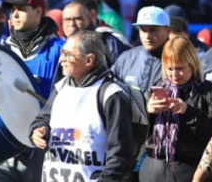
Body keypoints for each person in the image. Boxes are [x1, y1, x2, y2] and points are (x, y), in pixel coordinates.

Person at [30, 30, 137, 182]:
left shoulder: (111, 94)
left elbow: (121, 153)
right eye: (62, 53)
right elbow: (42, 120)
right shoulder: (61, 88)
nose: (61, 59)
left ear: (89, 60)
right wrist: (38, 131)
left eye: (67, 54)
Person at [0, 0, 65, 182]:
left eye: (21, 9)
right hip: (4, 145)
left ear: (39, 12)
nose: (14, 14)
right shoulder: (0, 50)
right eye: (12, 9)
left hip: (42, 147)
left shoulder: (60, 50)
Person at [141, 37, 212, 182]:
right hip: (154, 166)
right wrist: (148, 112)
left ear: (192, 65)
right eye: (170, 68)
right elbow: (138, 135)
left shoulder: (210, 91)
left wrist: (188, 111)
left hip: (190, 168)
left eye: (180, 68)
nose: (174, 74)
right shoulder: (155, 90)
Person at [112, 6, 170, 95]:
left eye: (153, 30)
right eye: (143, 30)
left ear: (168, 31)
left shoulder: (178, 59)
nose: (148, 36)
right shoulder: (126, 58)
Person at [64, 0, 131, 65]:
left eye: (78, 19)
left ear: (91, 16)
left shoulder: (109, 41)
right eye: (67, 19)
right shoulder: (61, 44)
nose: (72, 24)